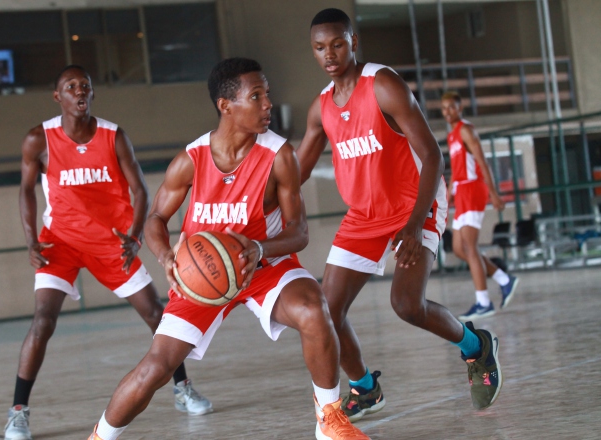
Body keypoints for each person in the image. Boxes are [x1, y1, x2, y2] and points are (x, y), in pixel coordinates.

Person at [88, 58, 369, 440]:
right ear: (226, 105)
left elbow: (299, 231)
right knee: (155, 367)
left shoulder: (278, 156)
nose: (268, 103)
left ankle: (329, 419)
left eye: (267, 94)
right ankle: (99, 437)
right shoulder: (192, 159)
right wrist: (167, 255)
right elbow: (155, 219)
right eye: (257, 96)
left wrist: (259, 247)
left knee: (313, 308)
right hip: (200, 275)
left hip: (263, 264)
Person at [296, 8, 503, 417]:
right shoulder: (321, 109)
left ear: (353, 42)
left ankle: (476, 347)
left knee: (407, 304)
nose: (330, 54)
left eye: (337, 43)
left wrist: (412, 227)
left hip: (415, 205)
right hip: (364, 215)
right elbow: (296, 170)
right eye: (320, 47)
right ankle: (364, 388)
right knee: (326, 311)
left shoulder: (382, 84)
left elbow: (432, 155)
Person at [4, 65, 211, 440]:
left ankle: (182, 389)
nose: (79, 91)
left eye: (85, 85)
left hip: (110, 242)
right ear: (58, 97)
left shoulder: (114, 137)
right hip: (61, 241)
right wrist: (31, 239)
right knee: (43, 319)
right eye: (71, 86)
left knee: (156, 314)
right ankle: (18, 410)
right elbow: (25, 190)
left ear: (92, 94)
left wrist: (133, 236)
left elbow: (140, 190)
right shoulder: (40, 139)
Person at [441, 91, 520, 321]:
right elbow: (456, 168)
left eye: (452, 107)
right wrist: (450, 191)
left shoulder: (466, 129)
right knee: (458, 248)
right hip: (462, 191)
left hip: (474, 189)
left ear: (460, 108)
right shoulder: (452, 135)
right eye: (444, 109)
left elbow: (482, 160)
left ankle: (483, 302)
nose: (448, 112)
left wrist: (493, 193)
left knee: (470, 247)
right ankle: (505, 280)